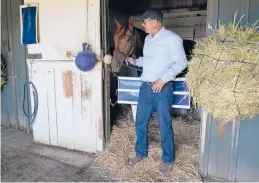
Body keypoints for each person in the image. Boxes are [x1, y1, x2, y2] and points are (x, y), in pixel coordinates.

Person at [126, 8, 188, 177]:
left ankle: (167, 160)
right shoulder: (148, 39)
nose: (143, 24)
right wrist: (136, 61)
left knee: (164, 124)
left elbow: (181, 62)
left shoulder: (172, 39)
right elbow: (148, 60)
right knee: (140, 122)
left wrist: (164, 79)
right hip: (145, 87)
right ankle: (140, 153)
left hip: (162, 88)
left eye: (144, 21)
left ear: (154, 21)